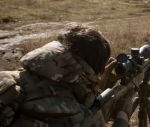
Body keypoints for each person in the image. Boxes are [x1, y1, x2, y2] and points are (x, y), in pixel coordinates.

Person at [0, 26, 135, 127]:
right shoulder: (74, 116)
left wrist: (94, 90)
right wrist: (122, 114)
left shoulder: (8, 79)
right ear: (93, 69)